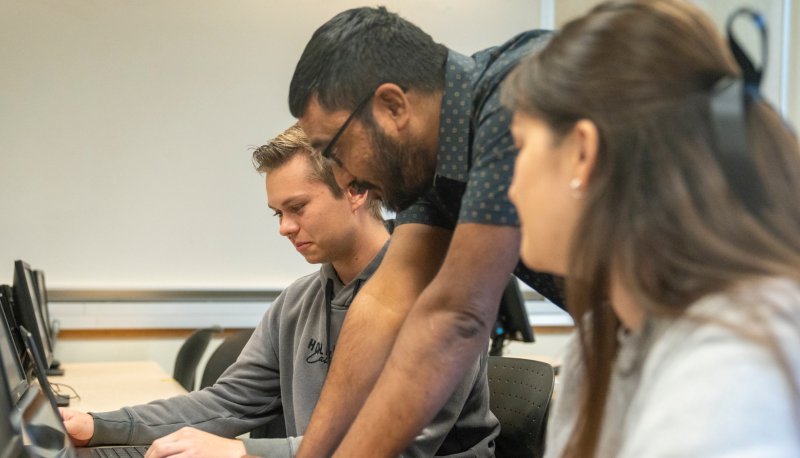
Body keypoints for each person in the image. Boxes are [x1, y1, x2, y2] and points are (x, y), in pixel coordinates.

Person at [59, 124, 500, 458]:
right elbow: (228, 403)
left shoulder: (441, 301)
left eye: (298, 207)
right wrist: (98, 426)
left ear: (356, 190)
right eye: (277, 214)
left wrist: (244, 452)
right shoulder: (298, 303)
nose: (285, 228)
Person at [502, 0, 800, 456]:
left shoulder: (726, 380)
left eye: (520, 146)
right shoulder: (609, 337)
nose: (510, 187)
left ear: (582, 153)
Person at [288, 8, 562, 457]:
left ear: (393, 107)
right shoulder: (431, 161)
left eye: (334, 151)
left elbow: (456, 319)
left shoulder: (515, 97)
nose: (343, 178)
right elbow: (384, 304)